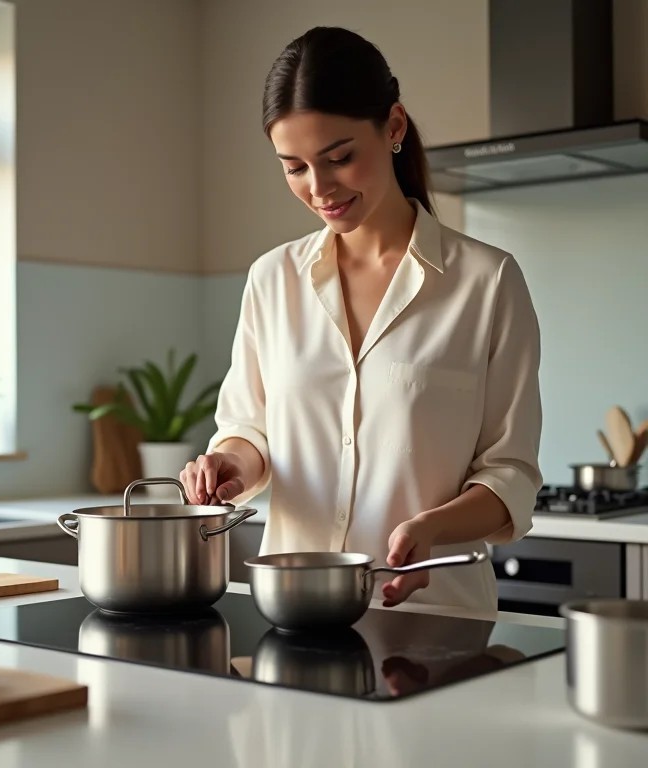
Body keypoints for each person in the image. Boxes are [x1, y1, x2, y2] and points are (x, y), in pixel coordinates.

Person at [180, 26, 542, 612]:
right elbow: (250, 431)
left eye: (340, 158)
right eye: (294, 167)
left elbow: (511, 476)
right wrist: (231, 466)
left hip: (434, 622)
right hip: (294, 615)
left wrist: (434, 527)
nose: (318, 188)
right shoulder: (272, 280)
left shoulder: (488, 283)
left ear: (394, 127)